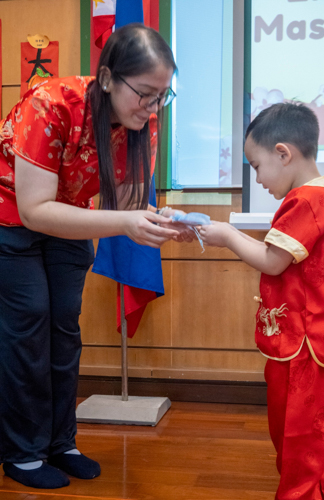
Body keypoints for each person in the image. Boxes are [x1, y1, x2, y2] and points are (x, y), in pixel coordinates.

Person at [0, 23, 190, 490]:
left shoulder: (142, 123)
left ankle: (61, 443)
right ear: (107, 79)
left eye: (161, 96)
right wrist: (126, 222)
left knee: (65, 326)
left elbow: (123, 207)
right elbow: (35, 209)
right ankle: (22, 452)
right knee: (29, 325)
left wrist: (161, 221)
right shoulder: (50, 103)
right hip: (10, 220)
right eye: (144, 94)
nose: (151, 108)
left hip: (67, 223)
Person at [199, 102, 324, 500]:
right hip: (303, 344)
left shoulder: (307, 201)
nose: (258, 178)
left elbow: (272, 261)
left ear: (283, 153)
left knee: (300, 441)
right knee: (305, 439)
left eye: (255, 166)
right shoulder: (315, 197)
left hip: (307, 346)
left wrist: (228, 235)